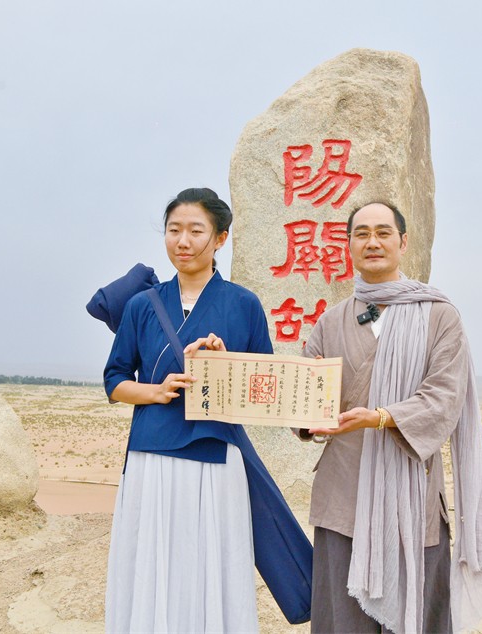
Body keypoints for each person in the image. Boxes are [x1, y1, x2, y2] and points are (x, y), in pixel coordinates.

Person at [99, 187, 311, 633]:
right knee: (154, 562)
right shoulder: (142, 305)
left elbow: (265, 386)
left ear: (220, 239)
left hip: (217, 455)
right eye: (174, 230)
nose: (183, 241)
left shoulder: (243, 304)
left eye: (196, 231)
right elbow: (114, 381)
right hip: (152, 456)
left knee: (212, 562)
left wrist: (223, 362)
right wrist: (156, 391)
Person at [301, 201, 482, 634]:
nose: (372, 242)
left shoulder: (439, 316)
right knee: (343, 620)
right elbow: (303, 394)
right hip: (344, 494)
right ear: (349, 245)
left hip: (412, 494)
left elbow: (445, 397)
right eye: (361, 234)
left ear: (403, 242)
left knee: (417, 615)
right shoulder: (331, 322)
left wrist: (381, 417)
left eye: (383, 232)